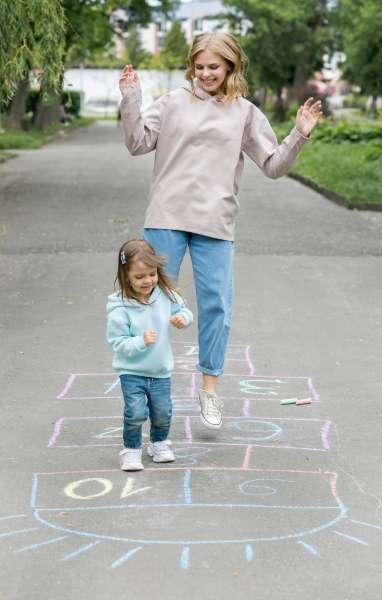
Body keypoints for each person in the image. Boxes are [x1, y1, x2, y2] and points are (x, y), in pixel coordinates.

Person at [118, 32, 322, 431]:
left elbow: (273, 166)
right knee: (152, 306)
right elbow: (137, 142)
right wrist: (131, 98)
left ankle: (209, 387)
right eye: (200, 66)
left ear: (230, 66)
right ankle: (144, 386)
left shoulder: (245, 113)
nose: (206, 73)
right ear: (191, 66)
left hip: (216, 221)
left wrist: (299, 133)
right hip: (167, 216)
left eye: (214, 66)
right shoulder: (174, 102)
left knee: (217, 308)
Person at [106, 239, 193, 471]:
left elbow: (184, 310)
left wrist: (183, 319)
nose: (148, 281)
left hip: (160, 370)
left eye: (152, 274)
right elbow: (118, 342)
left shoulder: (165, 295)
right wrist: (140, 341)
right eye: (139, 277)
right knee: (135, 413)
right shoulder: (120, 308)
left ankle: (159, 443)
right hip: (132, 371)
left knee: (162, 412)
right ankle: (131, 449)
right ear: (126, 277)